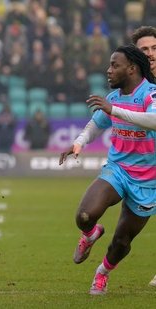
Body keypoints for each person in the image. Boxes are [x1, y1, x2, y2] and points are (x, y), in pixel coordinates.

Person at [59, 44, 156, 295]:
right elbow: (95, 124)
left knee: (122, 242)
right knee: (84, 216)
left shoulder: (150, 94)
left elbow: (155, 120)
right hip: (118, 170)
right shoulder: (113, 98)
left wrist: (115, 111)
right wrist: (79, 142)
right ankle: (90, 234)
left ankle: (102, 272)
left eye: (115, 65)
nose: (108, 70)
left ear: (132, 68)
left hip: (148, 181)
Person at [129, 25, 156, 287]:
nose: (151, 54)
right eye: (144, 49)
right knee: (130, 225)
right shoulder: (134, 83)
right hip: (143, 163)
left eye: (155, 48)